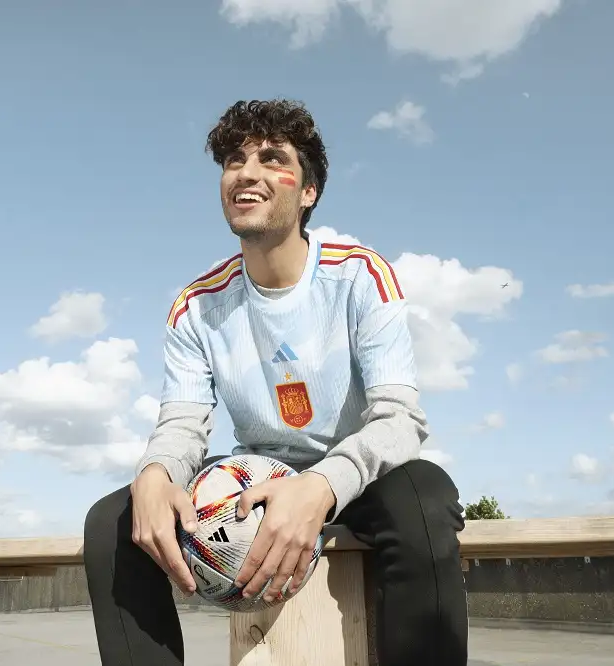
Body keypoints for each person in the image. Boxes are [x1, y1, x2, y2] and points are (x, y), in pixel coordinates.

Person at [83, 98, 468, 665]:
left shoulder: (360, 275)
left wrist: (322, 486)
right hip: (257, 480)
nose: (247, 172)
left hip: (355, 478)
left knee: (423, 499)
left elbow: (399, 418)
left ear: (308, 191)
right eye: (234, 161)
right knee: (111, 523)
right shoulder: (196, 305)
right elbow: (183, 424)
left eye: (271, 159)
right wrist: (156, 473)